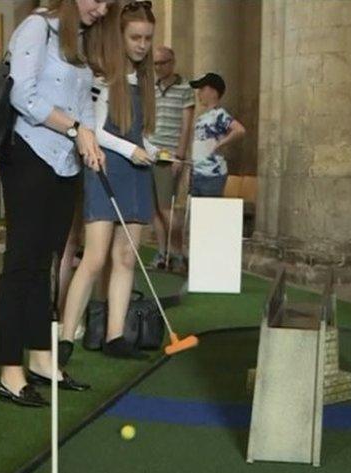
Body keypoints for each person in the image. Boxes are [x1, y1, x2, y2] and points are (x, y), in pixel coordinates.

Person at [0, 0, 111, 407]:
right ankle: (11, 371)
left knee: (48, 263)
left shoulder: (78, 41)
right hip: (29, 154)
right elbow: (22, 96)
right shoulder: (35, 28)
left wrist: (89, 138)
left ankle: (42, 360)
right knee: (21, 262)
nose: (103, 8)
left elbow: (86, 103)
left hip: (65, 162)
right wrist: (76, 128)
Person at [59, 0, 158, 365]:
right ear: (120, 37)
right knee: (95, 257)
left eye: (147, 38)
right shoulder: (104, 78)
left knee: (126, 258)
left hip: (136, 174)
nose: (142, 45)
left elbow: (140, 133)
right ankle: (66, 336)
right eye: (135, 37)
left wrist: (152, 150)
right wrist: (132, 150)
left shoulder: (143, 82)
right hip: (105, 168)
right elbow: (96, 131)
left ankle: (116, 335)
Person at [149, 46, 194, 270]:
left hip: (169, 155)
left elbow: (187, 125)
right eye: (155, 64)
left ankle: (178, 252)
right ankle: (162, 253)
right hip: (149, 153)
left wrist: (180, 155)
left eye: (162, 63)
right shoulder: (151, 88)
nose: (158, 68)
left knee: (167, 208)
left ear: (172, 62)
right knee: (153, 209)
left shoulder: (185, 88)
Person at [188, 72, 246, 197]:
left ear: (213, 92)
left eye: (202, 89)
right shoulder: (201, 118)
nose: (199, 93)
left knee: (209, 210)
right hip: (197, 173)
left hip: (212, 174)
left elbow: (239, 130)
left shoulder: (219, 114)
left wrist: (221, 143)